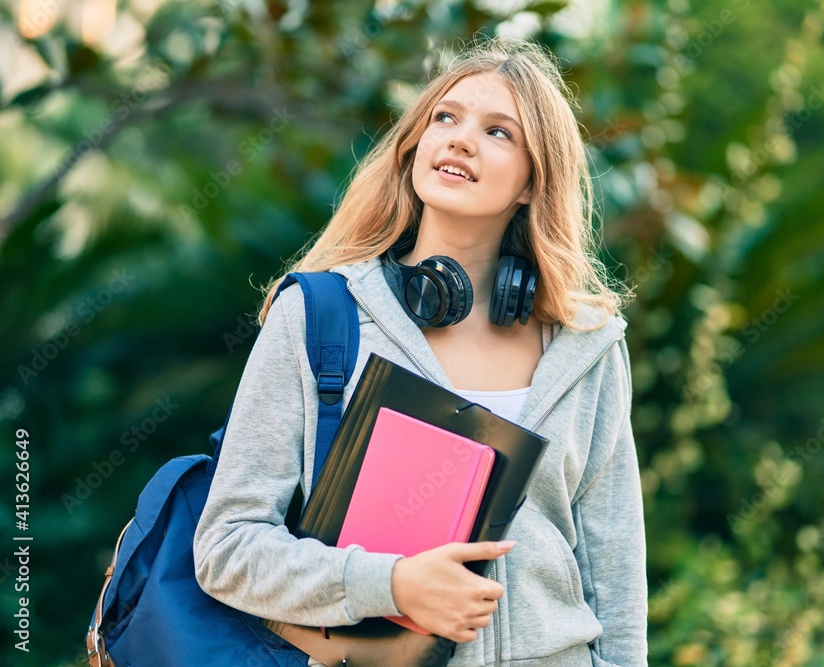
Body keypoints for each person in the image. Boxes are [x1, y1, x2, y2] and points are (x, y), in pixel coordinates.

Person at [193, 36, 648, 666]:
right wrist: (391, 583)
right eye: (445, 117)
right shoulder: (322, 317)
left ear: (531, 182)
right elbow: (227, 549)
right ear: (415, 146)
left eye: (499, 133)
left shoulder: (585, 344)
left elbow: (614, 569)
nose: (460, 139)